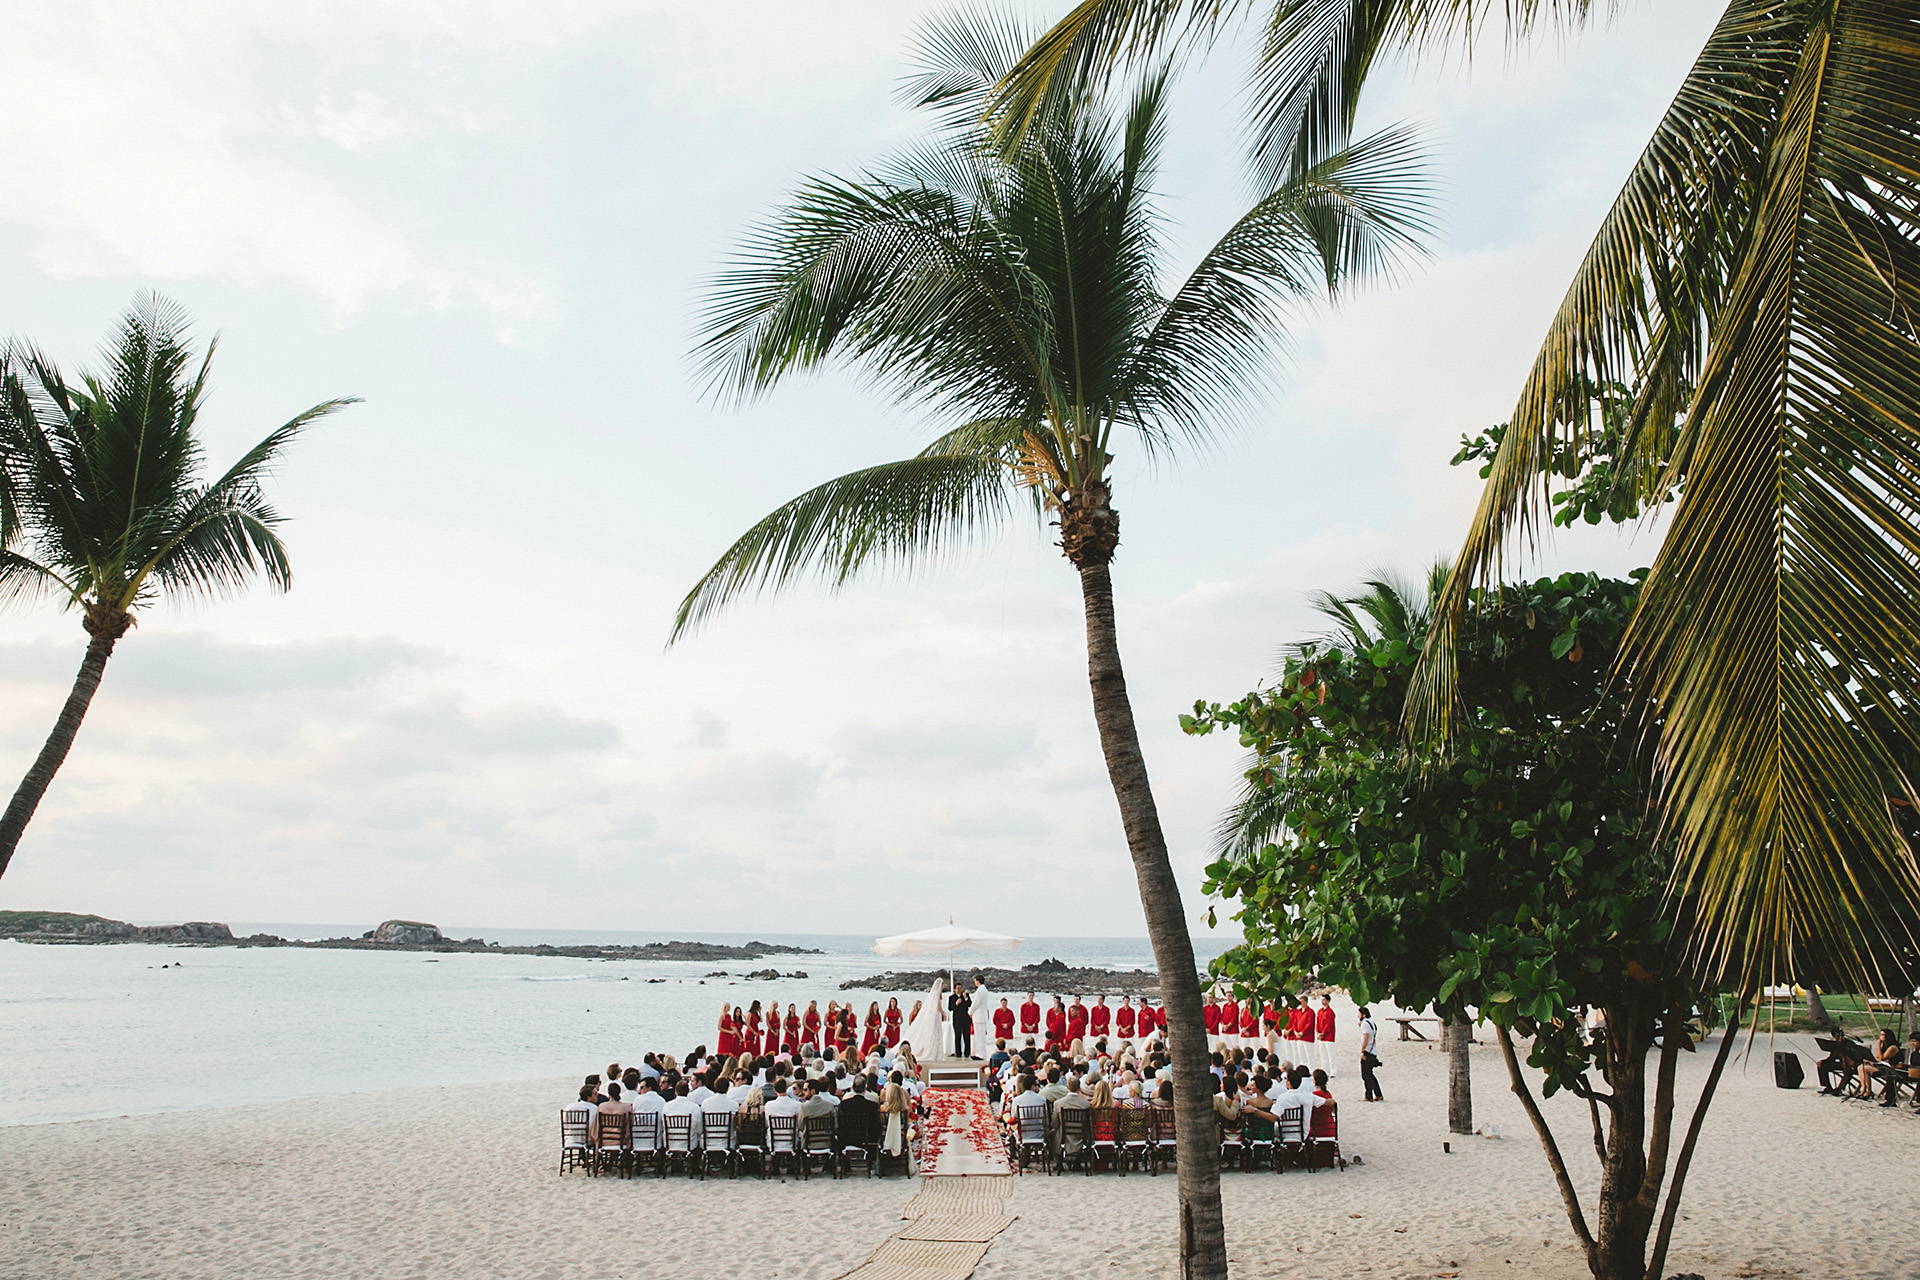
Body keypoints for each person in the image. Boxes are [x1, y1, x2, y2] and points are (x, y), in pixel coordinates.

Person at [1357, 1006, 1383, 1101]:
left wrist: (1362, 1051)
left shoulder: (1365, 1024)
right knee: (1370, 1074)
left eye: (1359, 1014)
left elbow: (1366, 1037)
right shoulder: (1371, 1023)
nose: (1358, 1016)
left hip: (1368, 1051)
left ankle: (1369, 1096)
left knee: (1366, 1075)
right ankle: (1378, 1094)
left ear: (1363, 1015)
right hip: (1373, 1051)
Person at [949, 982, 975, 1058]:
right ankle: (958, 1053)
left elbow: (970, 1004)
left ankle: (967, 1053)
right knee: (958, 1036)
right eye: (958, 988)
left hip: (965, 1019)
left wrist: (966, 998)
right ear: (954, 989)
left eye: (960, 988)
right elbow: (950, 1008)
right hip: (957, 1019)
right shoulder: (952, 997)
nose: (959, 990)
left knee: (967, 1036)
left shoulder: (966, 995)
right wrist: (956, 1003)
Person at [1315, 995, 1338, 1076]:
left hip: (1328, 1037)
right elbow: (1317, 1023)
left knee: (1331, 1055)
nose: (1322, 1001)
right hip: (1321, 1037)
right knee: (1323, 1054)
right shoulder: (1319, 1011)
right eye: (1322, 1000)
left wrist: (1323, 1033)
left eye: (1324, 1000)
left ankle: (1333, 1071)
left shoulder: (1330, 1012)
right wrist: (1318, 1032)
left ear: (1328, 1001)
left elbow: (1329, 1024)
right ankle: (1324, 1070)